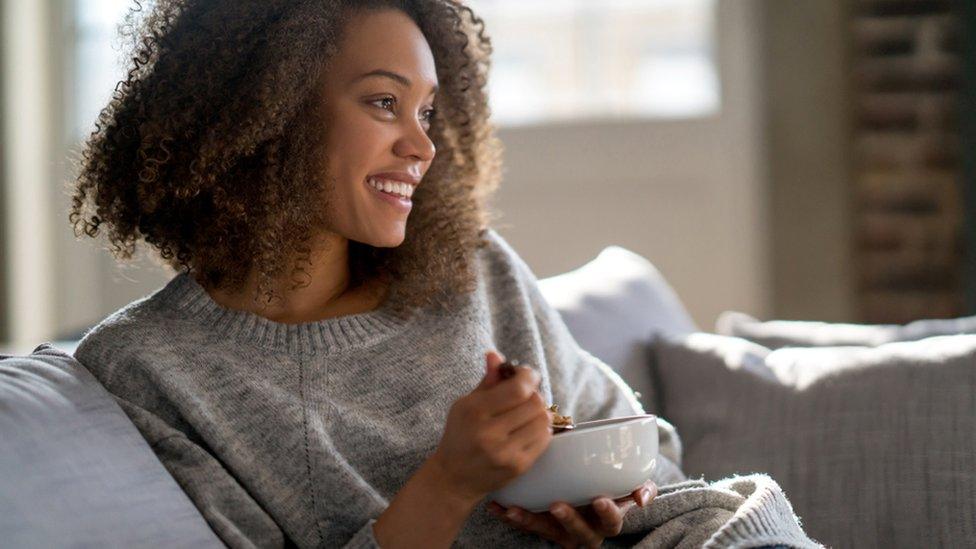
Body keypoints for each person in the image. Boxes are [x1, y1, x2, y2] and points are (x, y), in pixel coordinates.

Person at [69, 1, 819, 548]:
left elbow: (648, 449)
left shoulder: (472, 271)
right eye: (385, 102)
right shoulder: (149, 367)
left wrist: (614, 503)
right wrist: (448, 481)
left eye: (427, 112)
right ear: (263, 109)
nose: (421, 148)